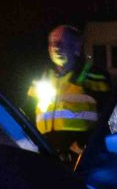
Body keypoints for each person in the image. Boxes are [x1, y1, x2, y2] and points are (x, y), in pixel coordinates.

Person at [27, 24, 108, 157]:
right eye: (52, 42)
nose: (56, 47)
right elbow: (27, 115)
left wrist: (84, 144)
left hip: (79, 160)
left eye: (61, 42)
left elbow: (110, 117)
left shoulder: (95, 77)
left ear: (76, 47)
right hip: (46, 157)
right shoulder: (40, 79)